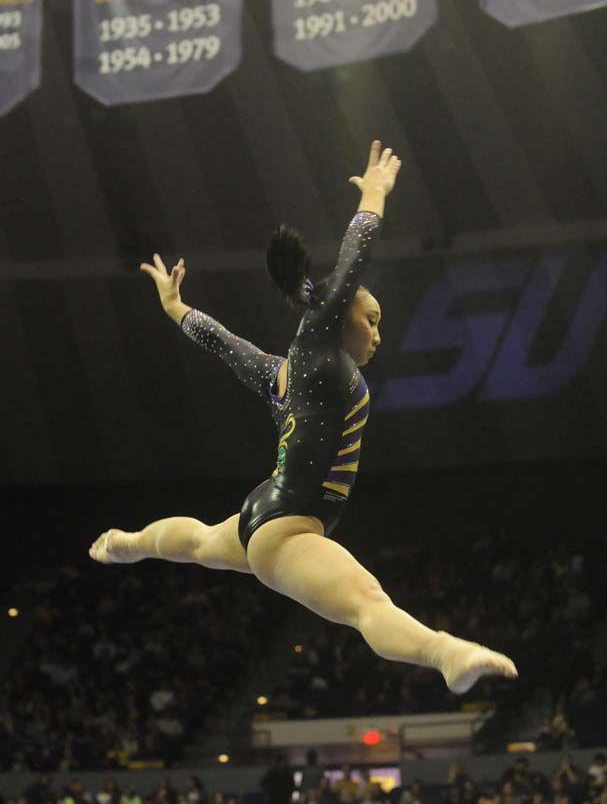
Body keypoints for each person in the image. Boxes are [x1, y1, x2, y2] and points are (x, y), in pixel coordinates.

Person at [89, 140, 517, 697]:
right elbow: (351, 261)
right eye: (372, 319)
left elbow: (222, 343)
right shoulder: (318, 346)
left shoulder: (280, 372)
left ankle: (130, 542)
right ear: (342, 316)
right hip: (290, 527)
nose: (377, 334)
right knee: (368, 605)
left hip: (263, 514)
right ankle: (446, 652)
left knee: (197, 543)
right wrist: (375, 197)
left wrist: (175, 308)